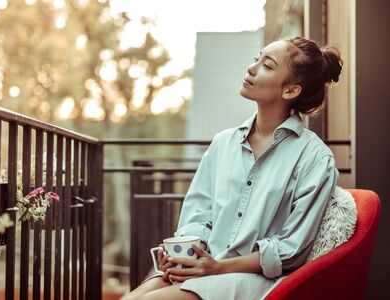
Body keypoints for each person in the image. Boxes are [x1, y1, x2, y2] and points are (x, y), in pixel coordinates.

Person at [122, 36, 343, 300]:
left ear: (290, 90)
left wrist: (218, 268)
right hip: (206, 266)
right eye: (256, 59)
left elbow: (292, 249)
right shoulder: (222, 143)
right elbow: (198, 213)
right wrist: (186, 254)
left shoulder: (316, 159)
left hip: (257, 280)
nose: (252, 68)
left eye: (267, 65)